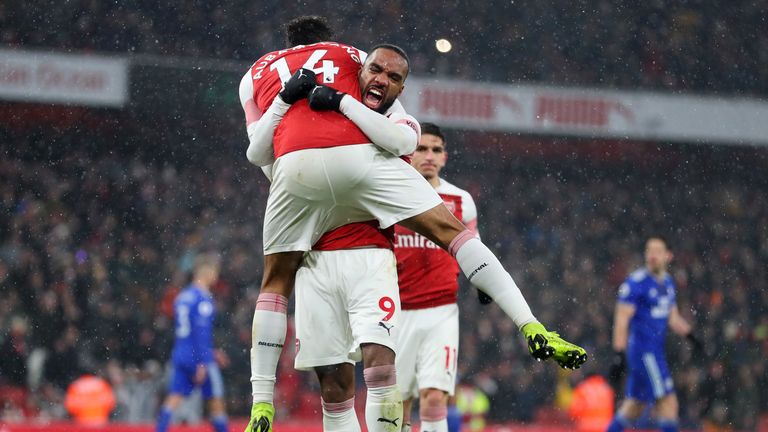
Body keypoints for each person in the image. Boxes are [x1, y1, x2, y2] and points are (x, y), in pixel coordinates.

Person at [240, 16, 587, 431]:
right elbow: (403, 139)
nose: (380, 78)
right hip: (360, 192)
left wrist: (292, 112)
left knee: (279, 290)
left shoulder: (253, 76)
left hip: (296, 182)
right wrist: (340, 104)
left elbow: (257, 154)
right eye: (377, 71)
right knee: (452, 234)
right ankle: (529, 322)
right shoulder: (348, 55)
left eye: (391, 76)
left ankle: (260, 400)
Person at [392, 122, 478, 432]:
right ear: (408, 153)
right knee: (397, 402)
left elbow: (473, 248)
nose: (429, 155)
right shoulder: (390, 193)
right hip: (396, 313)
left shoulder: (460, 201)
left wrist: (481, 281)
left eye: (436, 149)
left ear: (445, 157)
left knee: (434, 397)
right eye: (421, 148)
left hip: (441, 311)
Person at [606, 236, 702, 432]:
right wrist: (618, 354)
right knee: (668, 403)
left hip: (655, 352)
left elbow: (673, 318)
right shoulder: (636, 283)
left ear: (668, 256)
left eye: (657, 251)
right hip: (644, 352)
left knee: (634, 406)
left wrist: (692, 337)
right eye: (649, 251)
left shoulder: (667, 283)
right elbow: (621, 320)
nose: (652, 255)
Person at [156, 254, 228, 432]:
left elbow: (185, 330)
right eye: (214, 273)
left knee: (174, 397)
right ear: (207, 273)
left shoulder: (182, 297)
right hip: (198, 356)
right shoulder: (203, 299)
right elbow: (201, 332)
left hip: (181, 353)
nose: (215, 277)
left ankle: (160, 429)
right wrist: (203, 361)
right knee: (216, 399)